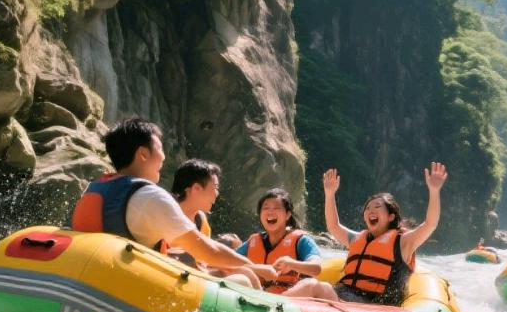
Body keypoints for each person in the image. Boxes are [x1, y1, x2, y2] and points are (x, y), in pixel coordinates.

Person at [70, 117, 273, 287]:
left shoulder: (94, 188)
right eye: (160, 148)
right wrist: (253, 266)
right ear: (143, 154)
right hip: (131, 288)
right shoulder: (150, 197)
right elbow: (209, 252)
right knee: (245, 279)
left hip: (93, 280)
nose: (164, 156)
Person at [286, 162, 448, 305]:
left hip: (374, 305)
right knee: (308, 284)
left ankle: (272, 306)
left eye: (377, 207)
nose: (371, 211)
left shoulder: (403, 242)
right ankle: (275, 304)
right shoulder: (357, 239)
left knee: (314, 287)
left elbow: (430, 224)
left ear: (391, 216)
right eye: (368, 208)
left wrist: (434, 191)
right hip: (345, 295)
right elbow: (334, 226)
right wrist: (329, 194)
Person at [166, 159, 270, 289]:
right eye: (215, 188)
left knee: (245, 273)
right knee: (242, 281)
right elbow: (211, 252)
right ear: (196, 188)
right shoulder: (169, 213)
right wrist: (256, 267)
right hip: (170, 278)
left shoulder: (200, 219)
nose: (217, 193)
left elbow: (205, 261)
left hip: (195, 275)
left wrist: (250, 268)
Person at [234, 188, 323, 294]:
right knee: (237, 273)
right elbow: (227, 263)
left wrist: (292, 264)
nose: (270, 212)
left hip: (287, 298)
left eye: (276, 208)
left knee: (314, 285)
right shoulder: (253, 241)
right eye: (265, 208)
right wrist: (259, 270)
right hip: (257, 293)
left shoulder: (301, 241)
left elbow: (316, 268)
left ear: (288, 215)